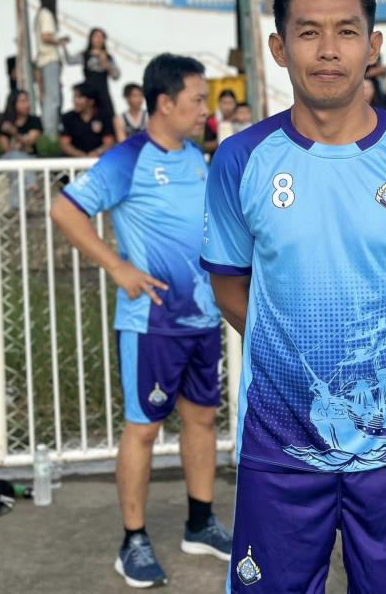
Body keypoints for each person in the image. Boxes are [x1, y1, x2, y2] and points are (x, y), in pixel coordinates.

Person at [201, 0, 386, 593]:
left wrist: (370, 352)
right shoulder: (241, 159)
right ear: (279, 47)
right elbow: (230, 288)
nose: (327, 50)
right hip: (280, 443)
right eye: (308, 32)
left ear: (372, 46)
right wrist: (290, 353)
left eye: (346, 32)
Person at [51, 53, 232, 588]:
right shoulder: (127, 158)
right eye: (197, 100)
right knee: (145, 428)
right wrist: (117, 266)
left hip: (202, 318)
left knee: (202, 420)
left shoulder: (196, 156)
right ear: (165, 103)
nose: (204, 110)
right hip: (151, 322)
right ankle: (132, 540)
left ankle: (200, 523)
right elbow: (65, 209)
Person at [0, 89, 43, 209]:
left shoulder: (35, 121)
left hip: (30, 157)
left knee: (18, 170)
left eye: (27, 101)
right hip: (7, 158)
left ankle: (16, 208)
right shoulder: (2, 122)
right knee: (15, 156)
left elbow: (30, 141)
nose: (27, 104)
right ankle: (33, 185)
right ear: (14, 104)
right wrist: (20, 143)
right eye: (22, 101)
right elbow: (6, 148)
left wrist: (14, 133)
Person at [66, 27, 120, 122]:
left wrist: (107, 65)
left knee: (108, 116)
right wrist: (64, 47)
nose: (98, 39)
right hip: (88, 91)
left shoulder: (108, 56)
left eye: (101, 37)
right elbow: (70, 61)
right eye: (96, 37)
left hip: (103, 90)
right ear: (91, 39)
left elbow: (116, 76)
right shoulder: (85, 55)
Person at [34, 0, 69, 138]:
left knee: (51, 97)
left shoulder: (40, 14)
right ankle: (50, 133)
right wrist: (60, 41)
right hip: (49, 58)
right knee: (53, 98)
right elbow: (46, 36)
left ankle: (50, 131)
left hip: (44, 59)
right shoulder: (46, 14)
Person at [58, 84, 115, 158]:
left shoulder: (104, 117)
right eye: (74, 97)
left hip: (100, 160)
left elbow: (109, 143)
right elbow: (64, 144)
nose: (75, 101)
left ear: (91, 101)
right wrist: (82, 156)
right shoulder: (68, 117)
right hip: (74, 161)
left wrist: (95, 153)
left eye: (79, 97)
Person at [202, 89, 237, 157]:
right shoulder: (211, 121)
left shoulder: (239, 120)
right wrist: (222, 141)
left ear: (235, 104)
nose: (227, 106)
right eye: (224, 103)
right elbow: (207, 145)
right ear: (219, 104)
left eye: (230, 103)